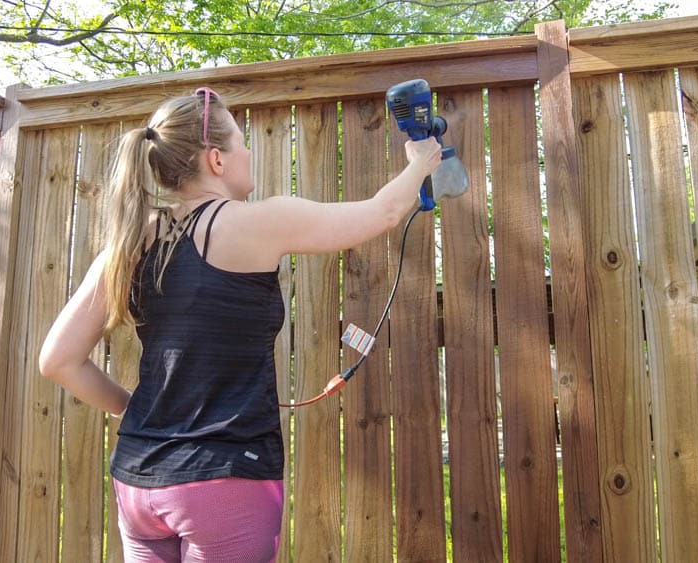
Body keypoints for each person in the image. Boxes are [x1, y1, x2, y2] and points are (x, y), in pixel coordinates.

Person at [38, 87, 442, 562]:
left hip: (139, 478)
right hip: (223, 480)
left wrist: (137, 413)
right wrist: (421, 162)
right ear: (216, 160)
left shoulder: (130, 242)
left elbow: (58, 360)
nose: (248, 151)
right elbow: (383, 212)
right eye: (241, 142)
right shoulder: (258, 222)